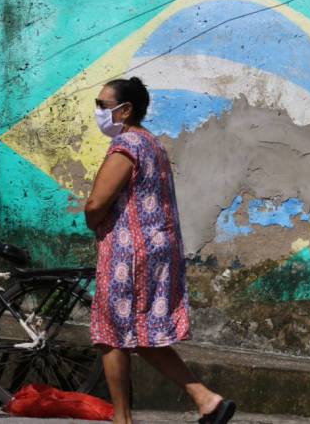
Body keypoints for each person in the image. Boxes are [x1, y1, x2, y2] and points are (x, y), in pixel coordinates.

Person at [84, 77, 236, 424]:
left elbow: (97, 202)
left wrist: (92, 218)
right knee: (141, 332)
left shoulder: (127, 146)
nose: (98, 112)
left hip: (130, 252)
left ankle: (122, 419)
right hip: (154, 249)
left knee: (111, 333)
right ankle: (206, 399)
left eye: (102, 105)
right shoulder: (151, 143)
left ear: (125, 111)